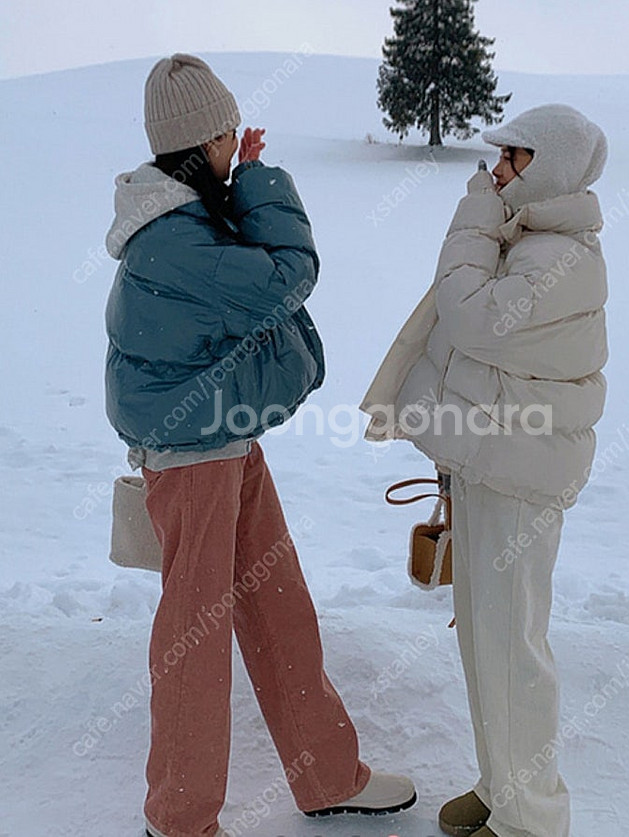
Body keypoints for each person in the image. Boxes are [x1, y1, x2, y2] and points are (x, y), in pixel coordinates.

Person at [104, 53, 416, 837]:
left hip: (226, 442)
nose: (236, 140)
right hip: (193, 457)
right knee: (195, 640)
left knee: (279, 607)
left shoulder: (189, 219)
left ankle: (327, 776)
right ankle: (179, 817)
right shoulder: (174, 238)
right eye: (226, 132)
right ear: (198, 141)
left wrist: (237, 183)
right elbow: (291, 274)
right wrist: (261, 182)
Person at [360, 104, 609, 837]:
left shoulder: (560, 256)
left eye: (514, 157)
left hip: (519, 477)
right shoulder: (527, 238)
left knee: (513, 649)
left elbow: (467, 316)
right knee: (483, 639)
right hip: (490, 461)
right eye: (498, 158)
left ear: (553, 166)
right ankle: (503, 787)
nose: (494, 171)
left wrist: (472, 216)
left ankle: (531, 818)